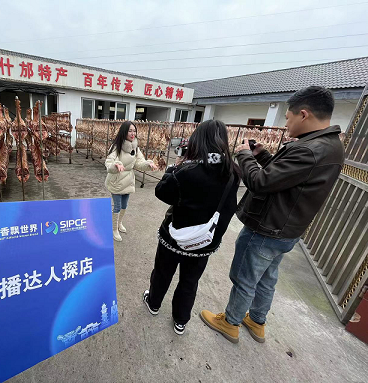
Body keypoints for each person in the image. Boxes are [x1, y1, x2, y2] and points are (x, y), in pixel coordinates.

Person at [200, 86, 345, 343]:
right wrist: (262, 155)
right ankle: (257, 321)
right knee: (267, 277)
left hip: (267, 228)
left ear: (303, 114)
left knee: (244, 277)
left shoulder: (309, 149)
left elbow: (261, 183)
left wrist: (244, 155)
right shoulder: (329, 146)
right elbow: (286, 179)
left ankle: (230, 322)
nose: (286, 123)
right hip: (287, 230)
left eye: (287, 118)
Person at [143, 120, 240, 335]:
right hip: (203, 242)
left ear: (198, 141)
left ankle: (154, 303)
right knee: (189, 281)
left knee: (162, 272)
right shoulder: (232, 173)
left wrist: (174, 168)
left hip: (175, 237)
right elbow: (229, 209)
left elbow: (162, 192)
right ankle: (180, 320)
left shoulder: (188, 170)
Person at [105, 121, 157, 241]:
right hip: (116, 180)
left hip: (128, 180)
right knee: (117, 206)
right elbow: (108, 163)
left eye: (134, 131)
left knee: (124, 205)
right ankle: (114, 229)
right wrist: (115, 166)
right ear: (124, 131)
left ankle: (119, 223)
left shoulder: (135, 147)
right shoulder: (116, 146)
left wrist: (148, 164)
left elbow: (139, 163)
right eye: (130, 131)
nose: (132, 133)